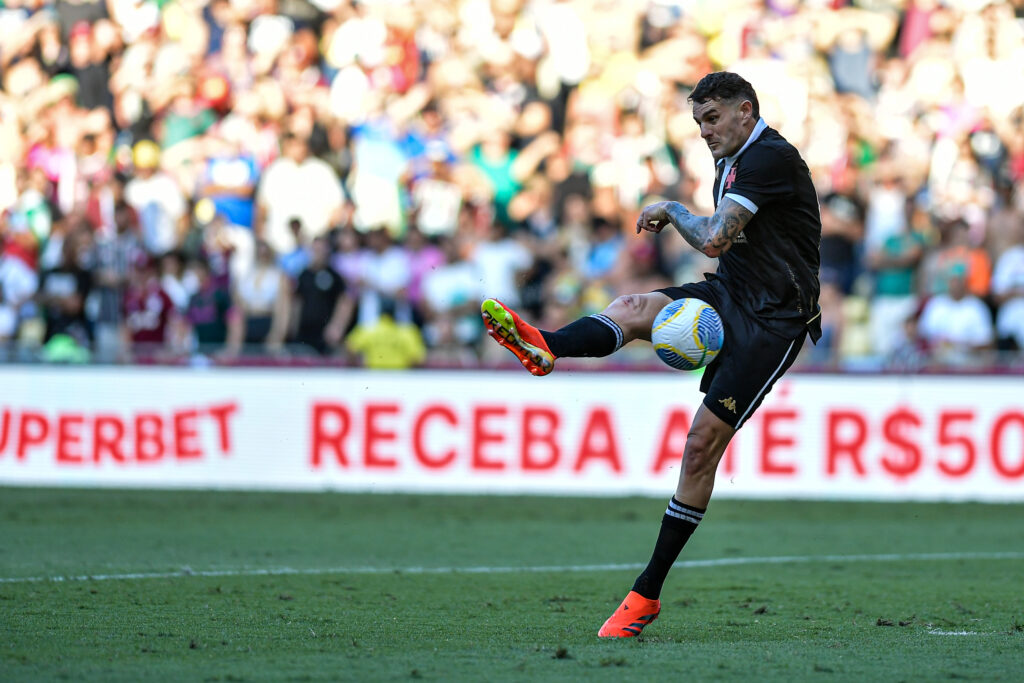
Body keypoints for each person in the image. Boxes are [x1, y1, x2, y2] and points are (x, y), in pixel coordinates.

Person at [480, 72, 822, 637]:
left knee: (699, 448)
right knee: (635, 304)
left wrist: (669, 207)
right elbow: (727, 246)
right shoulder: (735, 158)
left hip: (774, 320)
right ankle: (546, 347)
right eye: (698, 124)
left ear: (745, 110)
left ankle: (646, 594)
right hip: (730, 294)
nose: (705, 132)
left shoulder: (768, 158)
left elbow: (713, 236)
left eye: (712, 120)